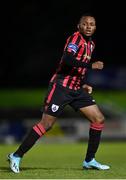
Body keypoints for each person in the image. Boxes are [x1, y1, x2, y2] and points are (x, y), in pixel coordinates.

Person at [7, 13, 110, 173]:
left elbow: (76, 68)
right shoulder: (75, 39)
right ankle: (16, 155)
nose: (88, 26)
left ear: (95, 27)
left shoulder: (91, 44)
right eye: (85, 23)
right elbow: (68, 59)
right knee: (46, 125)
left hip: (76, 89)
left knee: (98, 119)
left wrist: (83, 84)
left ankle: (89, 160)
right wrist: (91, 65)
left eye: (92, 24)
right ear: (79, 26)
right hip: (60, 88)